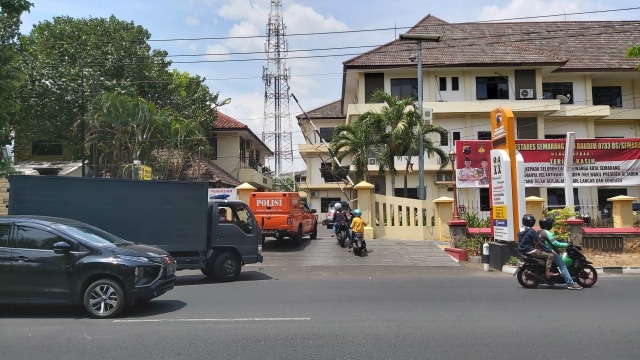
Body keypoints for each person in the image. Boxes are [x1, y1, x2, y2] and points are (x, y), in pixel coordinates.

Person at [539, 217, 583, 290]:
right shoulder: (547, 233)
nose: (551, 224)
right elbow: (555, 243)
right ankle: (570, 283)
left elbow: (551, 240)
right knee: (563, 265)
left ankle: (551, 280)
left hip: (542, 251)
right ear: (547, 224)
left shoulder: (539, 231)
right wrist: (566, 245)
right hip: (550, 252)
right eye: (550, 223)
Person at [516, 213, 559, 278]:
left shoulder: (520, 229)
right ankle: (548, 273)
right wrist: (549, 250)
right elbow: (539, 242)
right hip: (530, 250)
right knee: (550, 256)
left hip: (521, 250)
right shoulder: (531, 231)